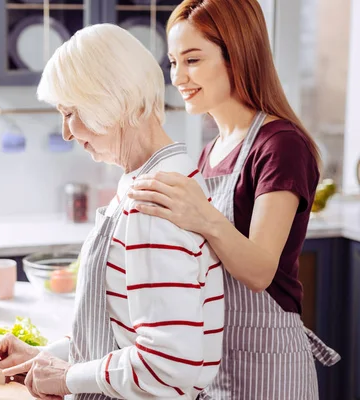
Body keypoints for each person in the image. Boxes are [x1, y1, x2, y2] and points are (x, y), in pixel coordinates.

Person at [0, 23, 224, 400]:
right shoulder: (153, 178)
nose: (67, 133)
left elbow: (169, 365)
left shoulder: (154, 200)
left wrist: (68, 377)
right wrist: (46, 357)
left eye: (70, 112)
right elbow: (121, 329)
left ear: (111, 101)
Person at [126, 0, 340, 398]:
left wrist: (202, 216)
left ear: (237, 55)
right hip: (212, 357)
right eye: (173, 62)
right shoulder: (212, 152)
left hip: (268, 361)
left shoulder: (281, 144)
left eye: (192, 60)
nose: (178, 77)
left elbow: (259, 270)